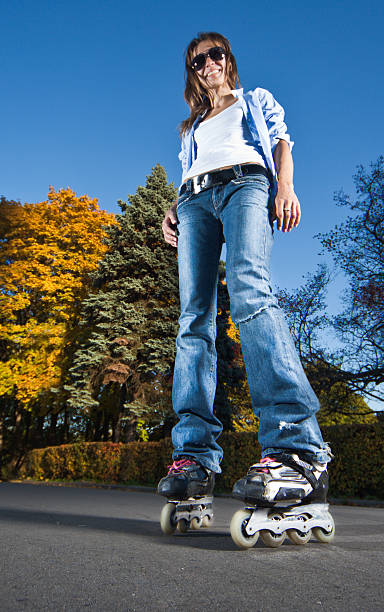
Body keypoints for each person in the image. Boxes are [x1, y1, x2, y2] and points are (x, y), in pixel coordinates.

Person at [157, 32, 332, 507]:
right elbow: (189, 170)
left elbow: (281, 142)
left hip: (246, 183)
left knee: (249, 291)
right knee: (192, 319)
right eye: (198, 60)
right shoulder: (191, 127)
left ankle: (296, 448)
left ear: (228, 60)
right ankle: (193, 455)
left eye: (215, 54)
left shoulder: (254, 100)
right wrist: (174, 207)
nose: (208, 63)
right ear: (193, 72)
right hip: (194, 200)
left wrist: (286, 187)